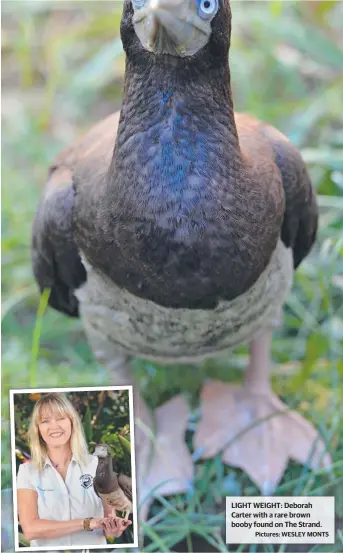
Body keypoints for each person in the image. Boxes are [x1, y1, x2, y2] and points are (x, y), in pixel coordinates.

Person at [16, 392, 132, 547]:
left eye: (60, 418)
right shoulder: (27, 471)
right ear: (38, 428)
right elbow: (31, 529)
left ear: (72, 422)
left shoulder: (97, 465)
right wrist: (87, 523)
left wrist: (114, 528)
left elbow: (108, 528)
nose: (54, 426)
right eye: (45, 421)